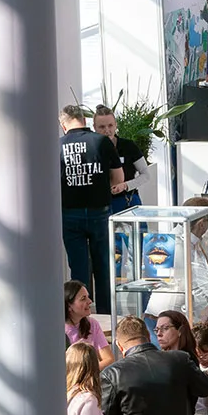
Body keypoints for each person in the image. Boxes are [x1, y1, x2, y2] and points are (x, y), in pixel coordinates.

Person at [54, 105, 123, 312]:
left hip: (69, 213)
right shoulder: (101, 141)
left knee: (78, 269)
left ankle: (81, 317)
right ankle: (106, 316)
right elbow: (118, 178)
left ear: (63, 125)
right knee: (104, 267)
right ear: (84, 121)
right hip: (99, 211)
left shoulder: (57, 146)